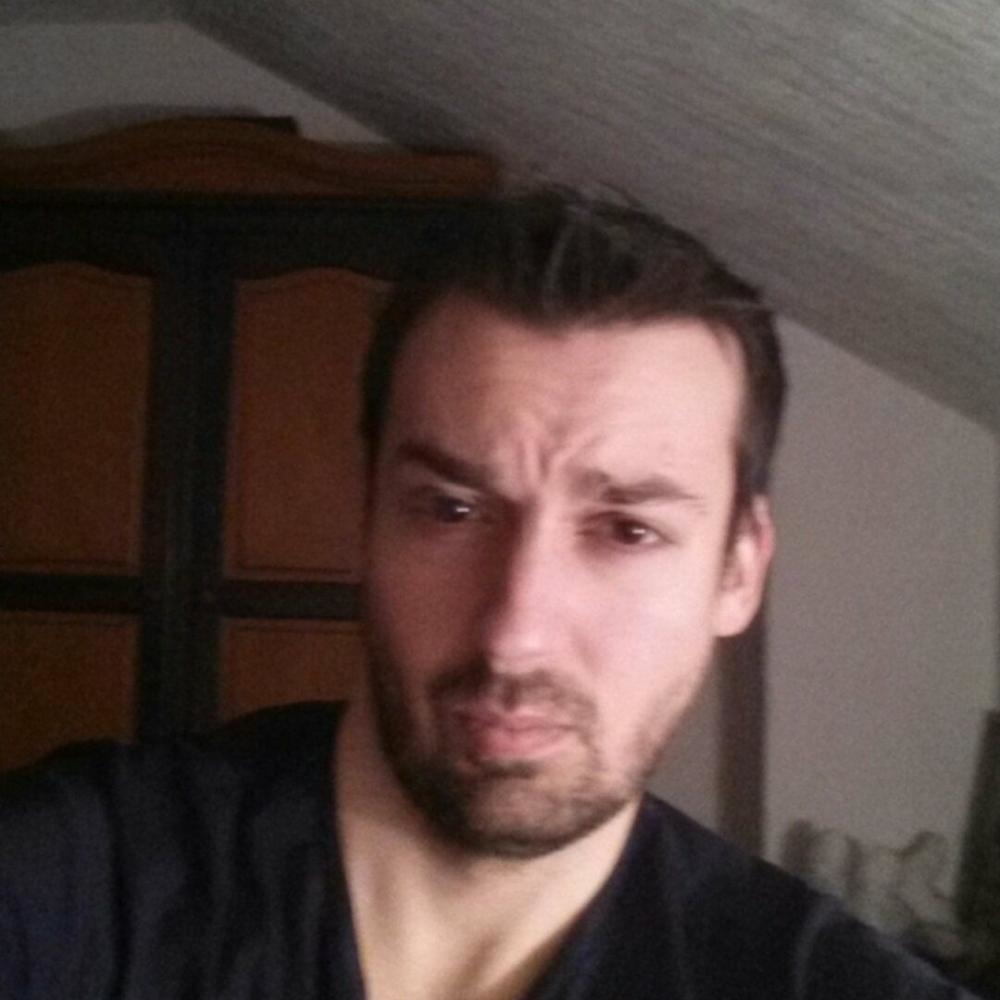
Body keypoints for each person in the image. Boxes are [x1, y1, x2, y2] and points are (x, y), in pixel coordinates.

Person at [0, 190, 975, 999]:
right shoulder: (81, 881)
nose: (516, 632)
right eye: (451, 510)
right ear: (365, 517)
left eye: (628, 530)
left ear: (739, 570)